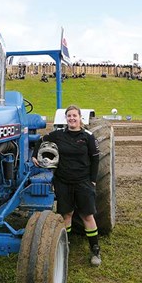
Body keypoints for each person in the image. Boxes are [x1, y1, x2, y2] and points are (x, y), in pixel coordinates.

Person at [32, 105, 102, 266]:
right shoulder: (58, 135)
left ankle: (95, 250)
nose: (72, 118)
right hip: (63, 181)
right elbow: (41, 140)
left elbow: (95, 158)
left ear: (80, 118)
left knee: (87, 215)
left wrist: (92, 180)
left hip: (83, 181)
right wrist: (35, 154)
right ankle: (65, 245)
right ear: (66, 118)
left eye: (74, 116)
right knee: (66, 214)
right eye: (69, 116)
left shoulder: (87, 137)